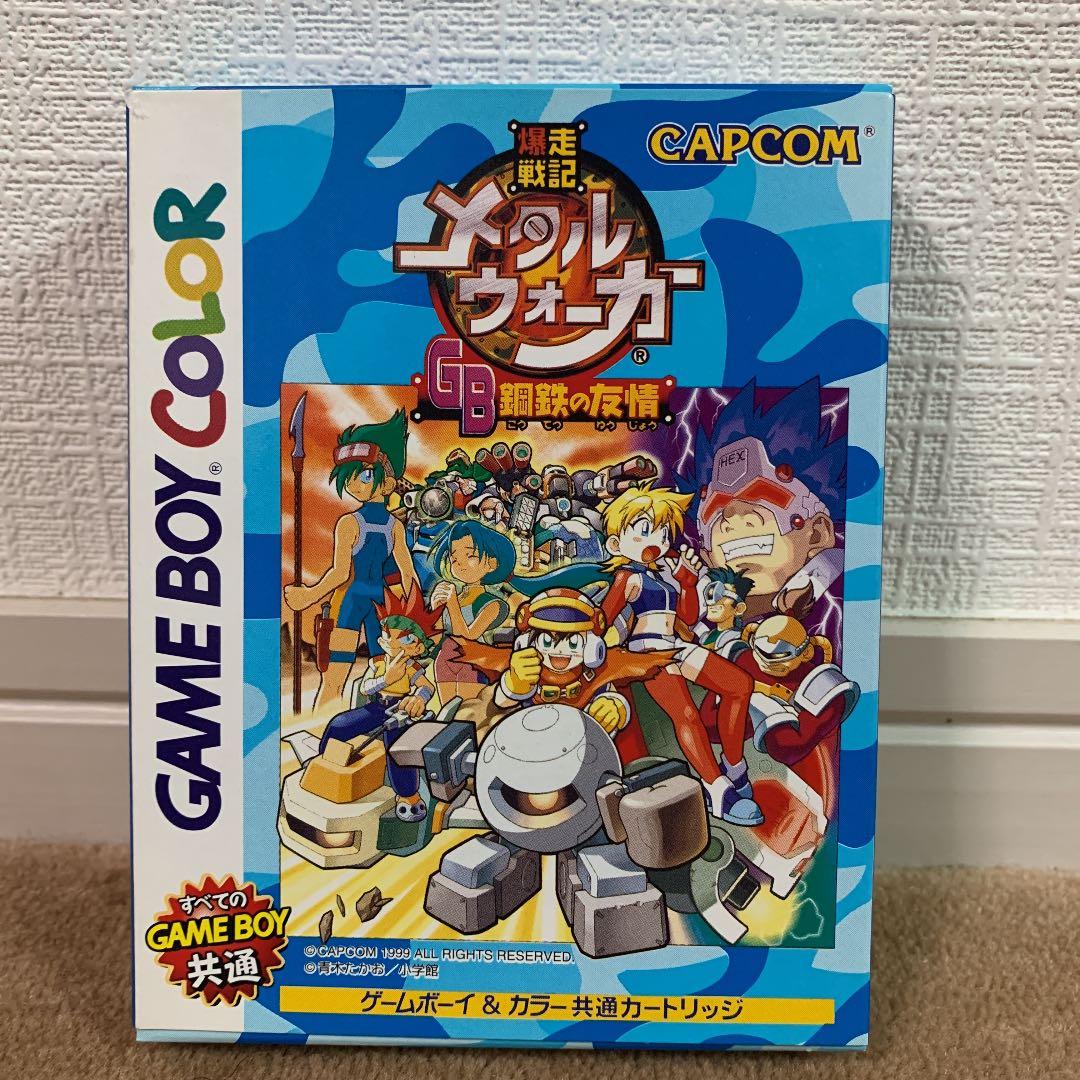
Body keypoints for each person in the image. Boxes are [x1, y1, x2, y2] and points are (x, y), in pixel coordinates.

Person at [600, 484, 761, 827]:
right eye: (644, 530)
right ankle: (717, 789)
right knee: (685, 714)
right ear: (616, 543)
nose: (656, 540)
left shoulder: (664, 574)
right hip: (648, 652)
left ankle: (734, 766)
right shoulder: (627, 576)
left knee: (739, 685)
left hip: (676, 645)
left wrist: (687, 583)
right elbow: (603, 619)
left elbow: (685, 618)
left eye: (662, 532)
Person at [283, 409, 417, 712]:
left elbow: (342, 573)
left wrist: (309, 596)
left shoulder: (359, 524)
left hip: (358, 602)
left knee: (362, 679)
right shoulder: (383, 525)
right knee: (352, 677)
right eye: (350, 477)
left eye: (365, 475)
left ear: (388, 482)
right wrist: (413, 612)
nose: (355, 484)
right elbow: (407, 577)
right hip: (374, 604)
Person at [316, 587, 440, 822]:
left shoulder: (412, 667)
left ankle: (409, 797)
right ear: (382, 639)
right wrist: (386, 679)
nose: (395, 642)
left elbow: (427, 687)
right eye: (389, 635)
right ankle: (322, 765)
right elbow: (365, 688)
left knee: (398, 750)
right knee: (338, 725)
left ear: (418, 647)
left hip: (400, 711)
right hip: (377, 707)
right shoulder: (378, 662)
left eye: (405, 638)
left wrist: (418, 698)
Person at [427, 519, 516, 701]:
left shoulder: (491, 604)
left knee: (467, 712)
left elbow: (467, 638)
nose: (460, 564)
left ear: (491, 563)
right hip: (444, 661)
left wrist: (452, 604)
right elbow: (434, 639)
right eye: (454, 559)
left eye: (470, 556)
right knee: (447, 712)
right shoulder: (453, 598)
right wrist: (435, 610)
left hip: (472, 663)